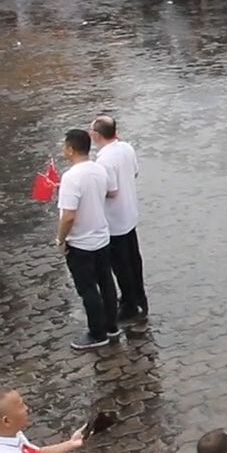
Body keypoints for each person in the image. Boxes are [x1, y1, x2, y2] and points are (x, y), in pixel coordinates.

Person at [54, 128, 119, 351]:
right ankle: (112, 325)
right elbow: (111, 192)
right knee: (107, 282)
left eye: (65, 146)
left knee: (88, 289)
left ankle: (97, 332)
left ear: (71, 149)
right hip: (102, 237)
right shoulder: (99, 170)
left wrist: (60, 239)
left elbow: (68, 216)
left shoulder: (71, 178)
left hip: (81, 243)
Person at [90, 116, 148, 325]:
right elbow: (134, 173)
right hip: (130, 214)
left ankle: (130, 305)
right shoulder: (126, 148)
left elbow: (111, 192)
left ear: (96, 135)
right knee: (134, 260)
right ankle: (139, 297)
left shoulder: (104, 160)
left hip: (114, 221)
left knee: (121, 265)